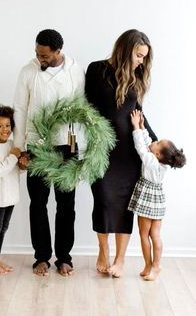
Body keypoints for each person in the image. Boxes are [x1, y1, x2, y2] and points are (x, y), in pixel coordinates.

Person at [85, 29, 157, 277]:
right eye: (138, 55)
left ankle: (120, 260)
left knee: (126, 206)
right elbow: (87, 108)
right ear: (126, 50)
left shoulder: (136, 79)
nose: (141, 61)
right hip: (102, 149)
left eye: (144, 58)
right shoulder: (96, 69)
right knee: (103, 201)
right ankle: (103, 251)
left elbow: (139, 115)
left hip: (129, 152)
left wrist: (155, 143)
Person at [13, 29, 85, 276]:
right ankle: (41, 257)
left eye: (43, 54)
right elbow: (20, 110)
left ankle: (64, 257)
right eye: (36, 52)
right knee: (38, 203)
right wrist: (20, 148)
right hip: (37, 145)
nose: (39, 57)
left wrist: (80, 149)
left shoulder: (75, 70)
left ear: (57, 51)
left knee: (67, 204)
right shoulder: (28, 72)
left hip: (69, 144)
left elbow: (81, 110)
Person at [128, 109, 186, 280]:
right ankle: (156, 265)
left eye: (158, 142)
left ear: (157, 154)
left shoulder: (150, 161)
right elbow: (148, 144)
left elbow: (141, 147)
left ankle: (150, 265)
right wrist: (142, 125)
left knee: (144, 234)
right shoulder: (163, 163)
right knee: (155, 235)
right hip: (158, 200)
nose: (154, 141)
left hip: (147, 200)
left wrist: (136, 128)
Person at [0, 104, 28, 275]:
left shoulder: (11, 145)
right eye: (0, 126)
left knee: (4, 227)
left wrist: (23, 165)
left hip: (11, 195)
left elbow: (15, 170)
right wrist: (13, 156)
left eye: (8, 126)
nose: (5, 129)